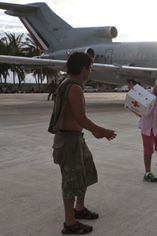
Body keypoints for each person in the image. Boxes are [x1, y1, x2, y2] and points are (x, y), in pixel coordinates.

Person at [49, 52, 117, 234]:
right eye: (90, 68)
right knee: (71, 182)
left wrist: (92, 131)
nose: (91, 72)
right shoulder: (74, 88)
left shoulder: (70, 85)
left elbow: (76, 118)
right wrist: (100, 131)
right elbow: (80, 118)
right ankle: (70, 224)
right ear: (83, 69)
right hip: (68, 141)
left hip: (75, 139)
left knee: (86, 170)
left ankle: (79, 209)